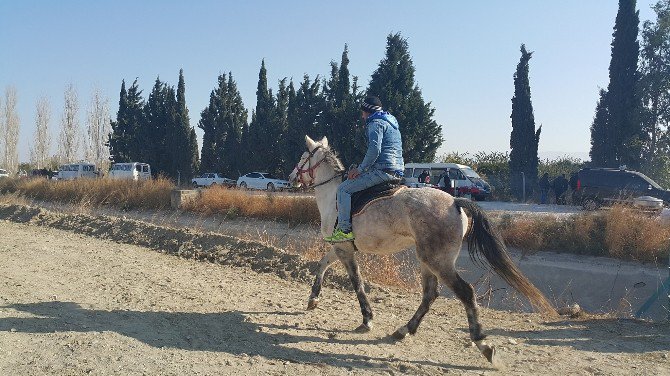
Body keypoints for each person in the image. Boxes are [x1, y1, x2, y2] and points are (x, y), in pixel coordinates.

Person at [324, 96, 405, 243]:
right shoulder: (391, 122)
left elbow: (374, 150)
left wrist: (360, 169)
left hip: (383, 171)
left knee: (343, 189)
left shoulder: (375, 123)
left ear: (368, 112)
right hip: (396, 170)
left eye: (363, 112)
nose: (362, 116)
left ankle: (344, 230)